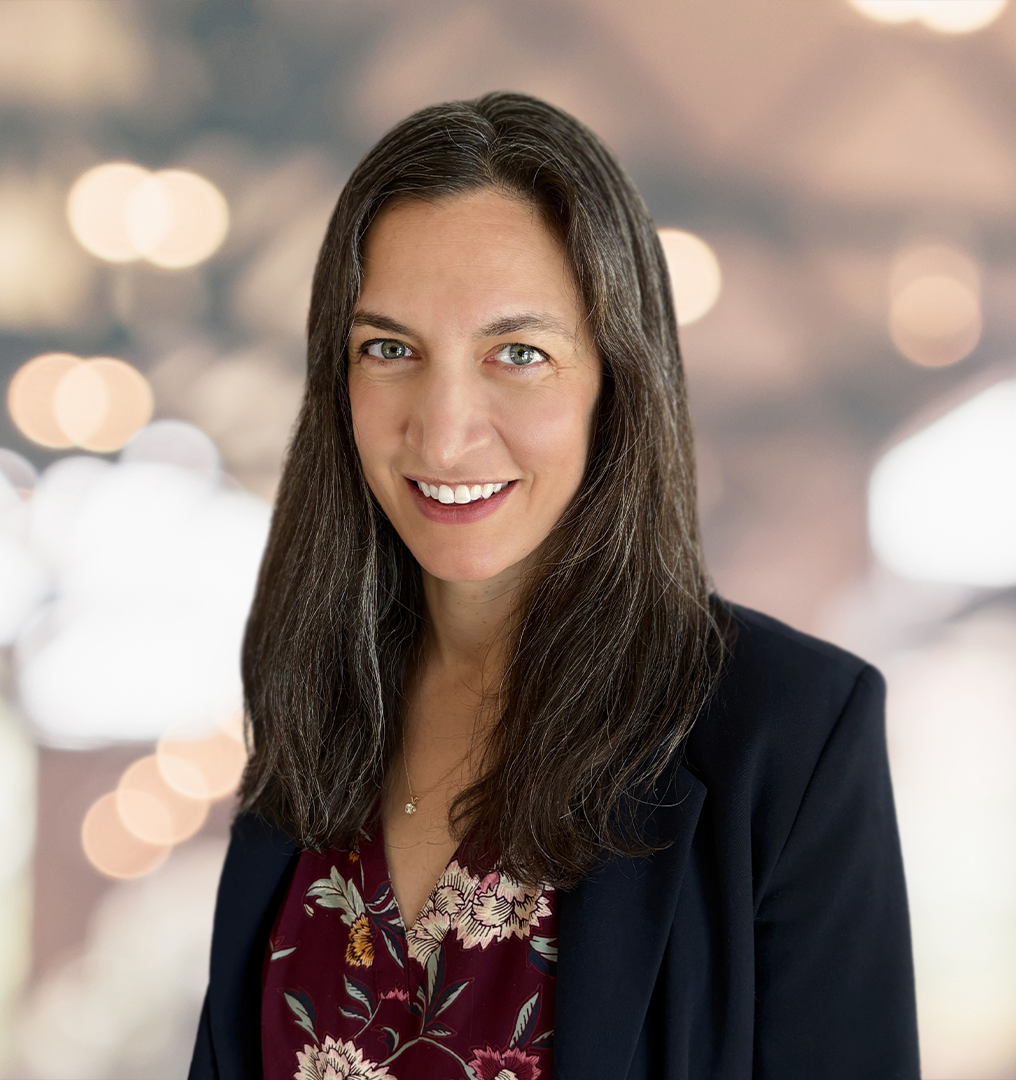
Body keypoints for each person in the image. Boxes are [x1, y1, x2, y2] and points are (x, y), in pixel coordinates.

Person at [189, 92, 918, 1080]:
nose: (443, 433)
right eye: (391, 350)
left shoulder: (790, 734)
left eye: (519, 354)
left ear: (614, 383)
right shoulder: (319, 704)